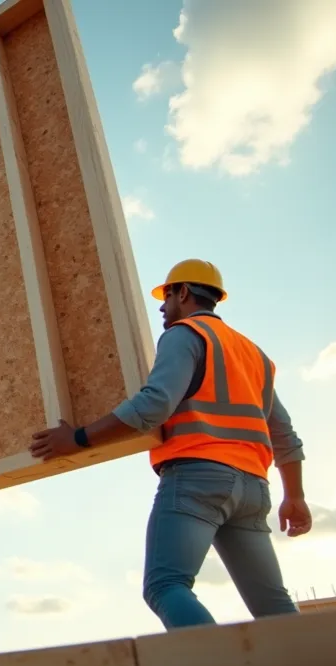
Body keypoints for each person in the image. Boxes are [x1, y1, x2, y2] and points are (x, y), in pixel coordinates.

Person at [26, 259, 312, 630]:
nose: (162, 307)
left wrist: (78, 438)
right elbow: (285, 436)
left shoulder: (184, 334)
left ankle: (217, 657)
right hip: (253, 489)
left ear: (184, 292)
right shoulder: (253, 355)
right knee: (273, 605)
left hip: (198, 477)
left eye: (167, 296)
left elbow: (154, 404)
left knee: (165, 585)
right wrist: (295, 496)